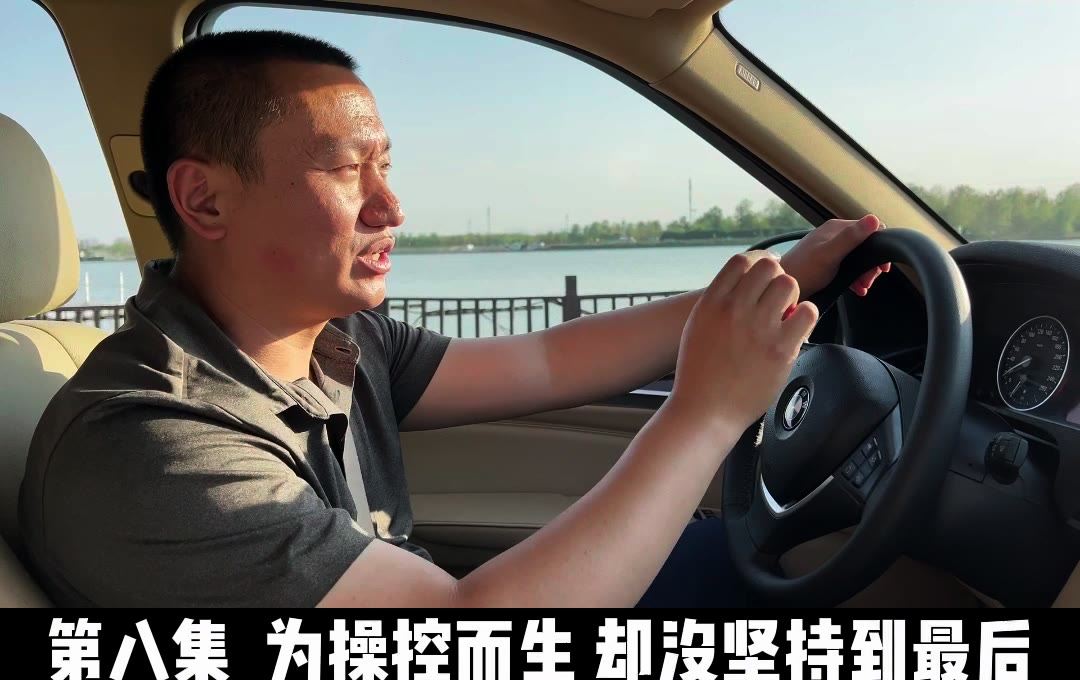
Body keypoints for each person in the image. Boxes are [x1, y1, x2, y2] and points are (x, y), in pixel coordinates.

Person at [18, 30, 889, 608]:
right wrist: (706, 413)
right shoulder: (155, 445)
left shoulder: (334, 341)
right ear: (205, 200)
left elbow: (547, 362)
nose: (391, 206)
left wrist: (777, 283)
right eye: (348, 170)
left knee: (769, 567)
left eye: (386, 165)